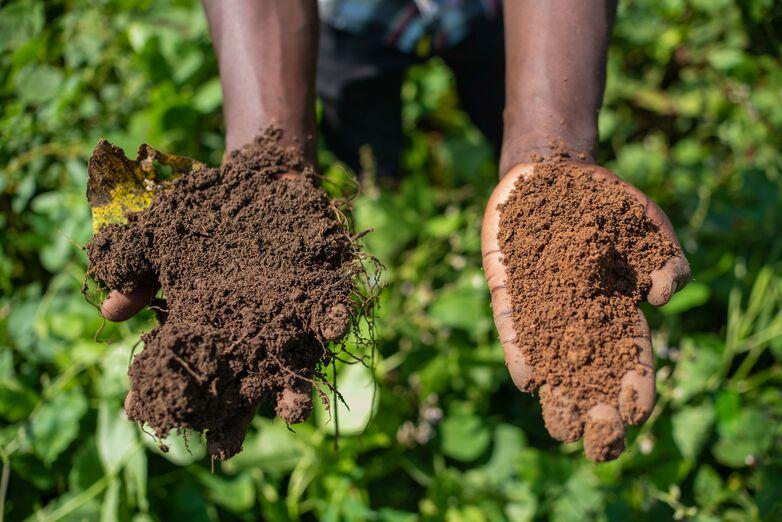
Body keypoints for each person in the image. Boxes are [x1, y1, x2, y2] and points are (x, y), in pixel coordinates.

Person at [100, 0, 691, 456]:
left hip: (517, 20)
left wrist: (548, 141)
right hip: (350, 19)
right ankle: (386, 174)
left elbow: (550, 122)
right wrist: (268, 157)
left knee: (492, 92)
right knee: (363, 130)